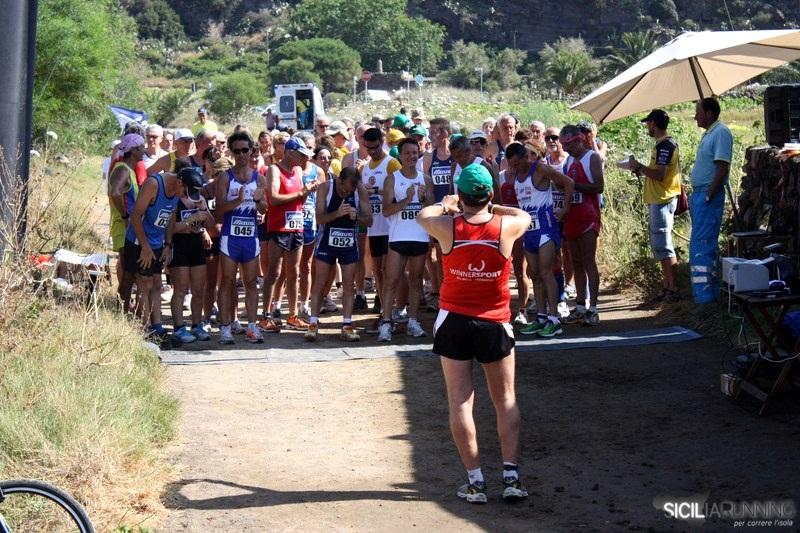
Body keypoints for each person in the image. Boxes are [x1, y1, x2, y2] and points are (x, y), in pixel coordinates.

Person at [417, 163, 530, 505]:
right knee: (505, 400)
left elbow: (423, 215)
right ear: (489, 193)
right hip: (494, 321)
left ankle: (476, 482)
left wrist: (446, 204)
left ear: (461, 195)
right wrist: (493, 206)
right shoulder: (506, 226)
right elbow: (523, 215)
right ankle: (510, 477)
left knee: (460, 402)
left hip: (454, 320)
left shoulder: (447, 226)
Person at [506, 142, 574, 337]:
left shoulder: (540, 169)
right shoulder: (515, 176)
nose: (515, 167)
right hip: (529, 231)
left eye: (517, 163)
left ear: (526, 157)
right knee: (534, 274)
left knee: (546, 272)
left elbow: (568, 182)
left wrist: (565, 208)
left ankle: (554, 320)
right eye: (511, 165)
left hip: (546, 228)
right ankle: (541, 317)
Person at [124, 157, 194, 336]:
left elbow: (170, 218)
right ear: (180, 182)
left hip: (157, 242)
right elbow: (135, 216)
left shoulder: (177, 191)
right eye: (186, 192)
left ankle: (157, 326)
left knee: (156, 283)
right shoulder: (154, 184)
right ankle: (145, 328)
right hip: (139, 241)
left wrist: (167, 244)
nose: (186, 197)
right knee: (143, 283)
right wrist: (145, 247)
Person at [259, 137, 320, 332]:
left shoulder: (298, 171)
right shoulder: (274, 170)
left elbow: (300, 200)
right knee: (274, 272)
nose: (305, 159)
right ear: (290, 153)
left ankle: (293, 316)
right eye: (302, 155)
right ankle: (265, 316)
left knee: (294, 272)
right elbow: (274, 199)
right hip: (278, 227)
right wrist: (302, 193)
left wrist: (306, 193)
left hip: (297, 225)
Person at [305, 167, 373, 341]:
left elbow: (369, 220)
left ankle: (347, 325)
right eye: (344, 189)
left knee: (349, 284)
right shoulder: (325, 188)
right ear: (339, 180)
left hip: (349, 243)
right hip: (327, 241)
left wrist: (357, 216)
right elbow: (319, 218)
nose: (346, 193)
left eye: (350, 191)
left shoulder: (360, 191)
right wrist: (338, 213)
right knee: (320, 282)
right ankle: (313, 323)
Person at [215, 131, 269, 344]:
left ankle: (252, 327)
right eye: (236, 151)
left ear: (251, 151)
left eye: (245, 150)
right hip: (230, 237)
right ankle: (225, 327)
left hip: (250, 238)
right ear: (231, 152)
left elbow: (264, 209)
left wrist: (258, 201)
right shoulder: (225, 177)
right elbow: (218, 211)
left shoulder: (259, 178)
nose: (241, 155)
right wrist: (236, 201)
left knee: (251, 283)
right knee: (227, 282)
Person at [377, 138, 433, 341]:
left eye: (414, 153)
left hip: (419, 236)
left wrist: (423, 198)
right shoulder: (392, 179)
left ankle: (413, 321)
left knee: (416, 281)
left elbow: (432, 210)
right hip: (398, 236)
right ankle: (386, 322)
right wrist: (407, 200)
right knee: (391, 280)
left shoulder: (425, 179)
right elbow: (386, 210)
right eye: (407, 153)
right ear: (400, 156)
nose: (411, 156)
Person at [629, 109, 682, 303]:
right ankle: (667, 285)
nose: (647, 127)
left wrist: (639, 166)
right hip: (659, 199)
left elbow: (660, 174)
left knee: (664, 245)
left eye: (648, 124)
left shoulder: (665, 145)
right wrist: (640, 169)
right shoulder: (662, 144)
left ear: (653, 124)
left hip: (662, 199)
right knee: (660, 246)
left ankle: (672, 287)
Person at [689, 97, 733, 304]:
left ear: (709, 113)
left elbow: (722, 167)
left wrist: (709, 194)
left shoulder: (721, 132)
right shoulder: (709, 133)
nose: (695, 117)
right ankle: (709, 294)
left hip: (708, 195)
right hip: (700, 195)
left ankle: (705, 298)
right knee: (703, 244)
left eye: (698, 112)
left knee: (701, 246)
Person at [560, 125, 604, 326]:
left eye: (568, 144)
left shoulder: (592, 157)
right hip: (572, 216)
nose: (566, 148)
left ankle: (593, 308)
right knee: (575, 262)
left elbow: (599, 186)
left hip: (588, 216)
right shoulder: (568, 160)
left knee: (588, 261)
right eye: (563, 145)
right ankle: (579, 306)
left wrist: (572, 184)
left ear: (578, 140)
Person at [167, 165, 215, 344]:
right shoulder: (174, 200)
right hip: (179, 245)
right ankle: (179, 327)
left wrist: (204, 210)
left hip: (196, 245)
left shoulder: (198, 198)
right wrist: (191, 220)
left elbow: (211, 223)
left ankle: (197, 324)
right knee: (180, 289)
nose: (192, 194)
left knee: (198, 289)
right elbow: (171, 228)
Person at [363, 127, 402, 316]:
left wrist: (377, 192)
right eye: (368, 148)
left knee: (390, 271)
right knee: (377, 270)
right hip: (374, 228)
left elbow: (400, 191)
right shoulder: (365, 167)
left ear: (382, 142)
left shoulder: (391, 163)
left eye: (375, 147)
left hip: (390, 227)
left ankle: (395, 306)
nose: (372, 151)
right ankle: (382, 305)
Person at [107, 134, 144, 310]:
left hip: (130, 227)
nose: (144, 150)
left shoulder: (130, 169)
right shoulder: (122, 169)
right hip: (124, 226)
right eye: (142, 147)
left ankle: (126, 308)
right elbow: (114, 193)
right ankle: (122, 309)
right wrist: (124, 216)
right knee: (129, 271)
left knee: (132, 271)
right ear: (134, 150)